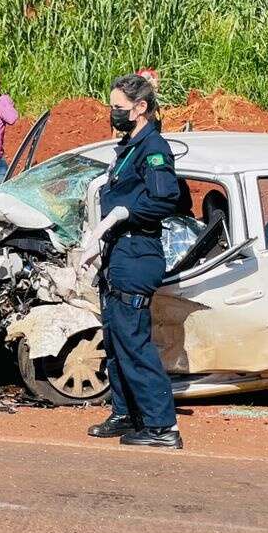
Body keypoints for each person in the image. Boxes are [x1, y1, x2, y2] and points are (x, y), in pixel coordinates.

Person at [80, 73, 181, 448]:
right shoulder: (131, 145)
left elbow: (163, 198)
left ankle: (161, 427)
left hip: (137, 252)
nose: (113, 113)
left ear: (140, 109)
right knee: (117, 338)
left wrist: (121, 214)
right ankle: (127, 413)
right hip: (118, 253)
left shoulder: (154, 148)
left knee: (134, 341)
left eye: (119, 108)